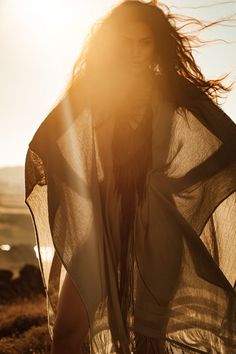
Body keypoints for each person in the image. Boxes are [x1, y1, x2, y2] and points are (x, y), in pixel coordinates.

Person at [24, 1, 236, 353]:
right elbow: (49, 145)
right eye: (127, 42)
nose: (136, 52)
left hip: (160, 226)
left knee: (150, 335)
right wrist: (85, 188)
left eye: (144, 42)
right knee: (69, 330)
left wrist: (180, 185)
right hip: (100, 225)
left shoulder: (173, 91)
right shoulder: (94, 90)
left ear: (156, 45)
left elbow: (227, 149)